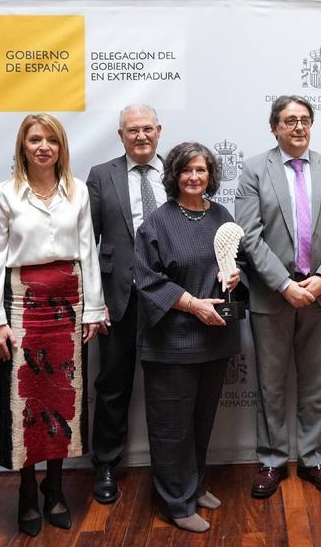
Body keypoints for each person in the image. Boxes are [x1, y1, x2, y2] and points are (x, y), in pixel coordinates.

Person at [0, 113, 107, 536]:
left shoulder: (78, 191)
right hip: (23, 306)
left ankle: (56, 488)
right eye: (35, 139)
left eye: (51, 139)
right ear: (22, 146)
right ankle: (27, 489)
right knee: (28, 402)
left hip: (70, 307)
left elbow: (88, 251)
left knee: (63, 398)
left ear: (61, 147)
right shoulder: (5, 193)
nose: (43, 147)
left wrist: (94, 309)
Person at [236, 95, 321, 498]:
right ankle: (270, 459)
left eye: (304, 120)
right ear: (275, 128)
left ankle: (314, 458)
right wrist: (284, 284)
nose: (298, 127)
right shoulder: (253, 170)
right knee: (271, 385)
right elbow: (248, 235)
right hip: (273, 296)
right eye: (289, 121)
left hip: (320, 294)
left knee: (316, 385)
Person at [135, 142, 245, 533]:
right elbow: (148, 282)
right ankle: (175, 503)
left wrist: (235, 275)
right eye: (186, 171)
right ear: (174, 176)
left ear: (211, 175)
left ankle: (195, 486)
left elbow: (238, 266)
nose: (194, 177)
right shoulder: (157, 223)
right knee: (171, 427)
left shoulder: (221, 215)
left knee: (201, 421)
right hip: (172, 342)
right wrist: (193, 304)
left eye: (201, 170)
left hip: (216, 339)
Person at [86, 104, 165, 504]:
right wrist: (93, 303)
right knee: (113, 385)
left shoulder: (179, 172)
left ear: (159, 131)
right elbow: (88, 244)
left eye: (147, 129)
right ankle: (104, 464)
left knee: (169, 387)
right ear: (121, 135)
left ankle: (171, 467)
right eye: (132, 130)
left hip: (169, 300)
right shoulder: (102, 176)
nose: (140, 136)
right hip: (119, 300)